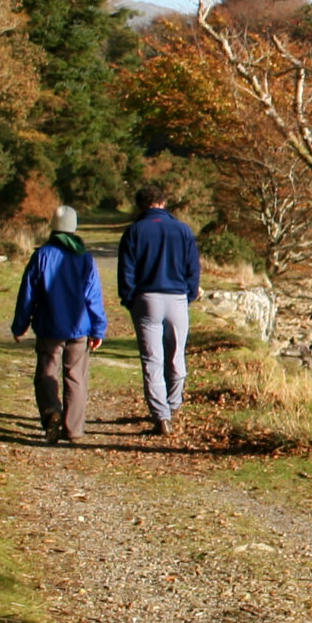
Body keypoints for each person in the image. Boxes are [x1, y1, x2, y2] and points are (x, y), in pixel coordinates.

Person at [13, 205, 106, 443]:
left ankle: (51, 412)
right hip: (79, 328)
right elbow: (93, 296)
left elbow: (28, 294)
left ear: (52, 228)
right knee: (75, 377)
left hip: (49, 326)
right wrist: (98, 328)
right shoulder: (84, 257)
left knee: (46, 373)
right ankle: (73, 430)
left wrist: (20, 325)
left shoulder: (42, 255)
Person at [117, 185, 200, 435]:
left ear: (141, 205)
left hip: (146, 299)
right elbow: (193, 268)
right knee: (176, 356)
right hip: (176, 298)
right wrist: (190, 294)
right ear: (163, 202)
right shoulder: (183, 230)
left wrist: (129, 299)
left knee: (152, 360)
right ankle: (173, 405)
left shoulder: (134, 232)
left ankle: (161, 415)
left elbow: (126, 271)